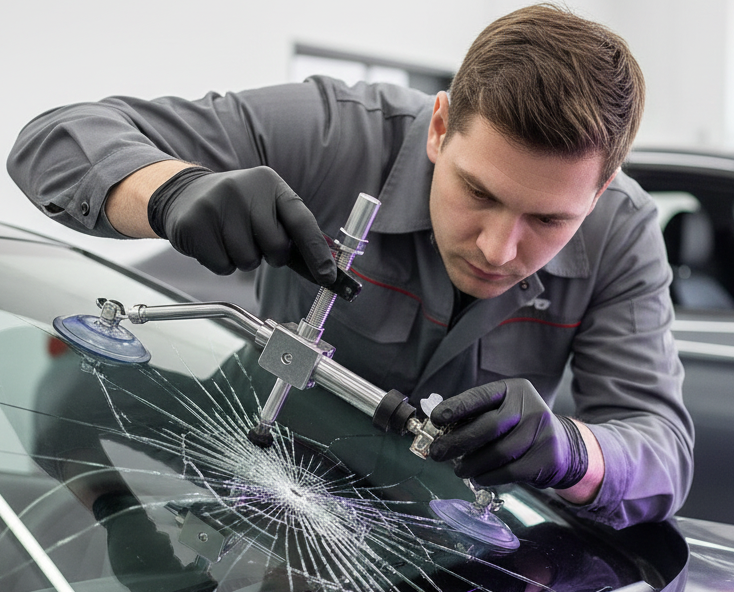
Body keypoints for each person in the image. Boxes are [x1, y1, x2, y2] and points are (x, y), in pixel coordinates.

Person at [6, 4, 693, 529]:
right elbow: (51, 142)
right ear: (439, 126)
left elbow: (663, 447)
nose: (496, 248)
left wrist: (572, 450)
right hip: (254, 501)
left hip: (442, 560)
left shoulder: (624, 232)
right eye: (478, 192)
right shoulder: (336, 132)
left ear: (599, 193)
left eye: (548, 220)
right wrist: (169, 190)